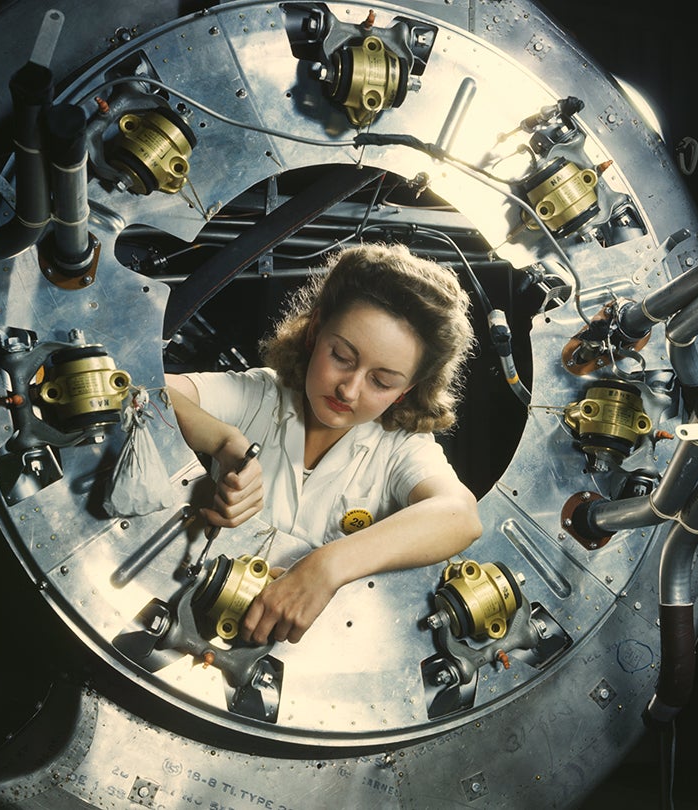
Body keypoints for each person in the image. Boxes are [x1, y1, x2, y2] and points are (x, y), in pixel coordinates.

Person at [165, 242, 483, 646]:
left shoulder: (402, 447)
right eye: (342, 357)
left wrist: (326, 567)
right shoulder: (259, 395)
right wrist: (226, 442)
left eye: (381, 381)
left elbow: (460, 515)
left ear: (406, 390)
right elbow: (146, 390)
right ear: (315, 331)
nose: (349, 389)